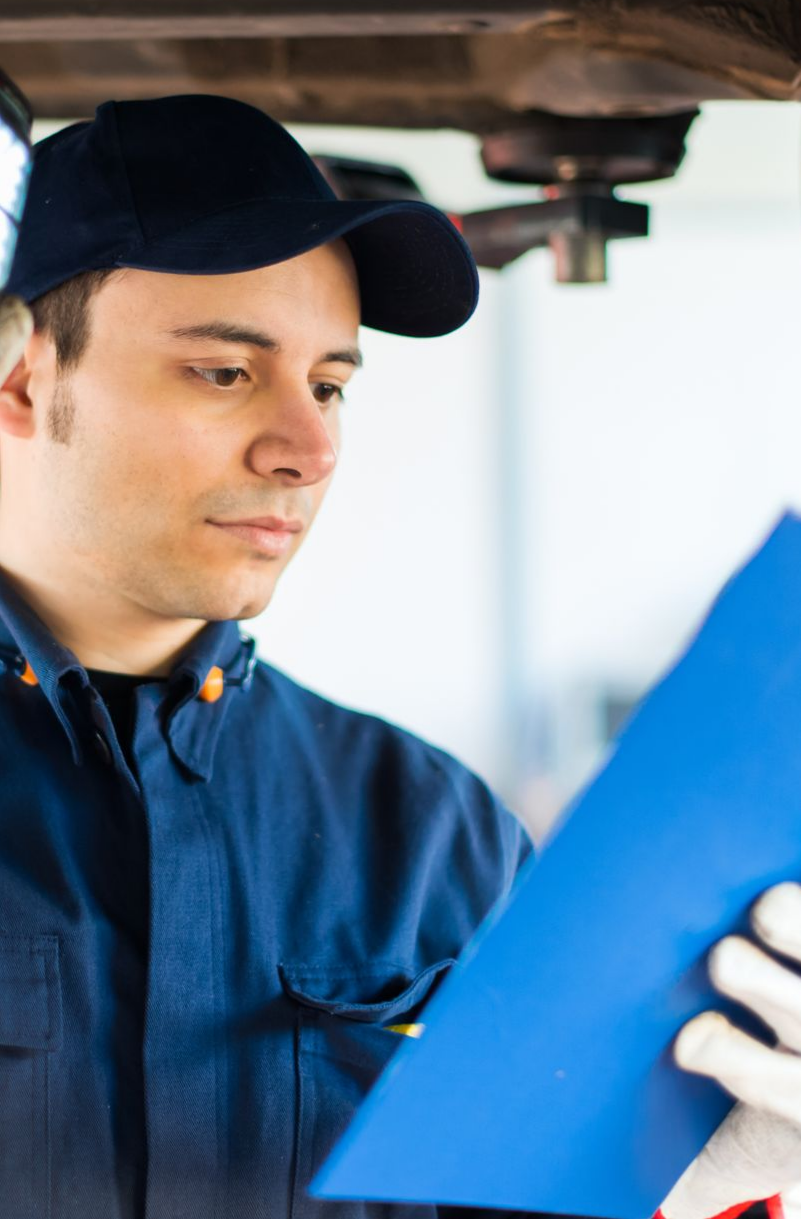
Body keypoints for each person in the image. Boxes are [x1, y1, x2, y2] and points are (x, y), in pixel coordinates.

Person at [0, 92, 800, 1219]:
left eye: (328, 384)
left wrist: (699, 1182)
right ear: (24, 380)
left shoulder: (435, 834)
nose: (310, 446)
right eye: (225, 372)